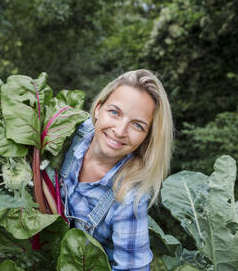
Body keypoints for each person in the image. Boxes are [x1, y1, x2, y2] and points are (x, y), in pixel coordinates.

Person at [59, 69, 173, 271]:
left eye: (137, 125)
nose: (119, 131)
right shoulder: (71, 132)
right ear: (98, 109)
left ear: (146, 138)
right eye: (114, 112)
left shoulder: (129, 197)